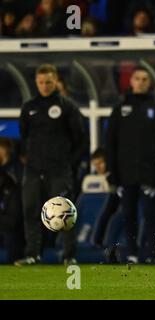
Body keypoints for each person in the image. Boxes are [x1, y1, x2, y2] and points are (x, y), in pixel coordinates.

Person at [15, 64, 87, 266]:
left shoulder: (67, 106)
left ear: (56, 81)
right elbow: (24, 137)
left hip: (59, 170)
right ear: (36, 83)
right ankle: (32, 254)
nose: (44, 86)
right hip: (33, 170)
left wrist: (68, 163)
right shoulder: (29, 107)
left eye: (48, 82)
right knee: (30, 211)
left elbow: (80, 139)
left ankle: (68, 255)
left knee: (65, 213)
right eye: (40, 82)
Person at [106, 66, 155, 264]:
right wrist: (112, 173)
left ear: (150, 82)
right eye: (137, 78)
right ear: (131, 81)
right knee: (128, 216)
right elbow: (110, 142)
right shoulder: (120, 109)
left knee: (151, 216)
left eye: (145, 79)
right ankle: (133, 254)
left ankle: (151, 254)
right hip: (125, 174)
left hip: (151, 174)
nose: (141, 82)